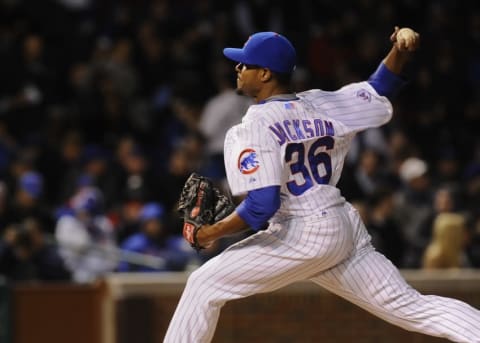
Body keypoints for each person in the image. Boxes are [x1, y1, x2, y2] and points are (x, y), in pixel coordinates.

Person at [164, 28, 480, 342]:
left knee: (203, 285)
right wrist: (399, 50)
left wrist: (211, 232)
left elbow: (262, 205)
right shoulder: (323, 104)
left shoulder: (254, 127)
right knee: (412, 306)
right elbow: (380, 87)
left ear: (264, 74)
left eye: (245, 64)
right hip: (341, 226)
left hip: (302, 233)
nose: (238, 68)